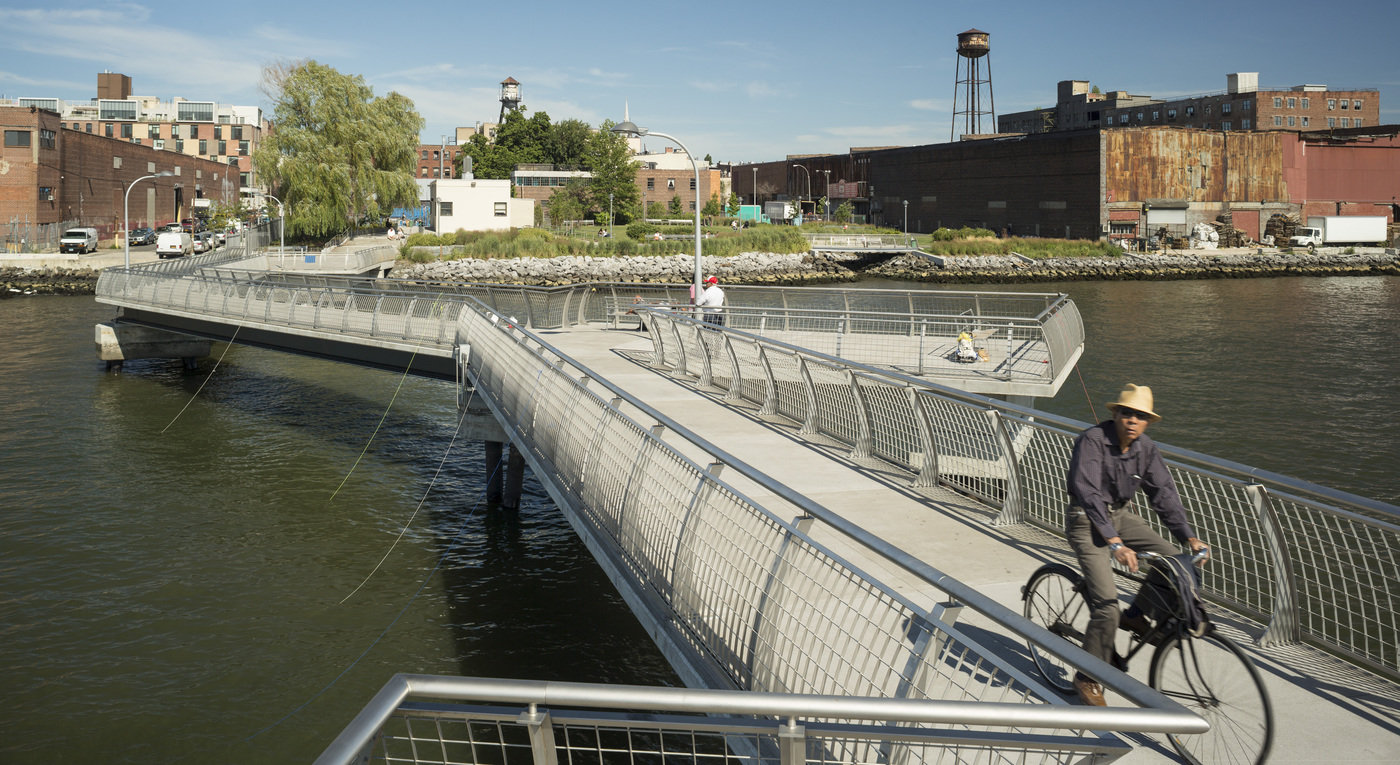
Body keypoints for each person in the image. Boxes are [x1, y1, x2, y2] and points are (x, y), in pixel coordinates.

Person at [1065, 384, 1208, 707]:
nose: (1132, 420)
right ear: (1115, 414)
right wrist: (1115, 543)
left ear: (1147, 422)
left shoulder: (1146, 449)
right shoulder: (1092, 440)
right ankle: (1087, 676)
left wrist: (1188, 536)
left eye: (1140, 416)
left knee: (1173, 561)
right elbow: (1088, 493)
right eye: (1127, 413)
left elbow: (1163, 494)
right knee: (1106, 606)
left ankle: (1136, 614)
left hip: (1120, 516)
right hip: (1086, 520)